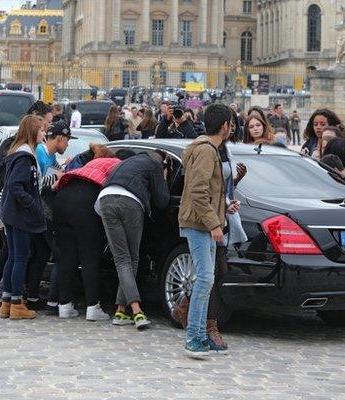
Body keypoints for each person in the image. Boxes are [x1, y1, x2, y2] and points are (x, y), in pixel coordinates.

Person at [97, 149, 170, 329]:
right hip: (130, 202)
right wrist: (164, 178)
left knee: (122, 258)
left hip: (105, 199)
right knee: (131, 258)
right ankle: (137, 311)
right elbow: (163, 201)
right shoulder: (155, 164)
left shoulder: (126, 163)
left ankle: (121, 310)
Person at [179, 104, 230, 359]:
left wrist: (225, 208)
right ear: (225, 126)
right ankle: (194, 338)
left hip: (202, 223)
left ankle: (199, 336)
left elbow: (208, 190)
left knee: (205, 279)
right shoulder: (208, 152)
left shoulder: (205, 149)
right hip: (199, 224)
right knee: (204, 279)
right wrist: (214, 223)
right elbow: (198, 191)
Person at [53, 146, 121, 321]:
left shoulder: (89, 165)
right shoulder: (117, 163)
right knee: (89, 256)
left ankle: (65, 306)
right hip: (85, 205)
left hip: (62, 200)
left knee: (67, 257)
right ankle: (93, 307)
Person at [0, 115, 47, 320]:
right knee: (20, 257)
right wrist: (33, 205)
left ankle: (7, 302)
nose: (45, 133)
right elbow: (16, 186)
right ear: (33, 132)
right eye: (42, 130)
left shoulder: (20, 153)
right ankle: (17, 302)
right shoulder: (25, 157)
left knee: (14, 257)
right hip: (19, 215)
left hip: (12, 213)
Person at [25, 121, 75, 312]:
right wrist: (59, 174)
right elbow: (44, 181)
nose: (68, 145)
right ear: (60, 138)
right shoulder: (40, 152)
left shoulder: (51, 156)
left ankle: (32, 295)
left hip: (42, 212)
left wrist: (64, 167)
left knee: (41, 254)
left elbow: (55, 173)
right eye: (68, 141)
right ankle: (52, 302)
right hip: (42, 212)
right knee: (57, 254)